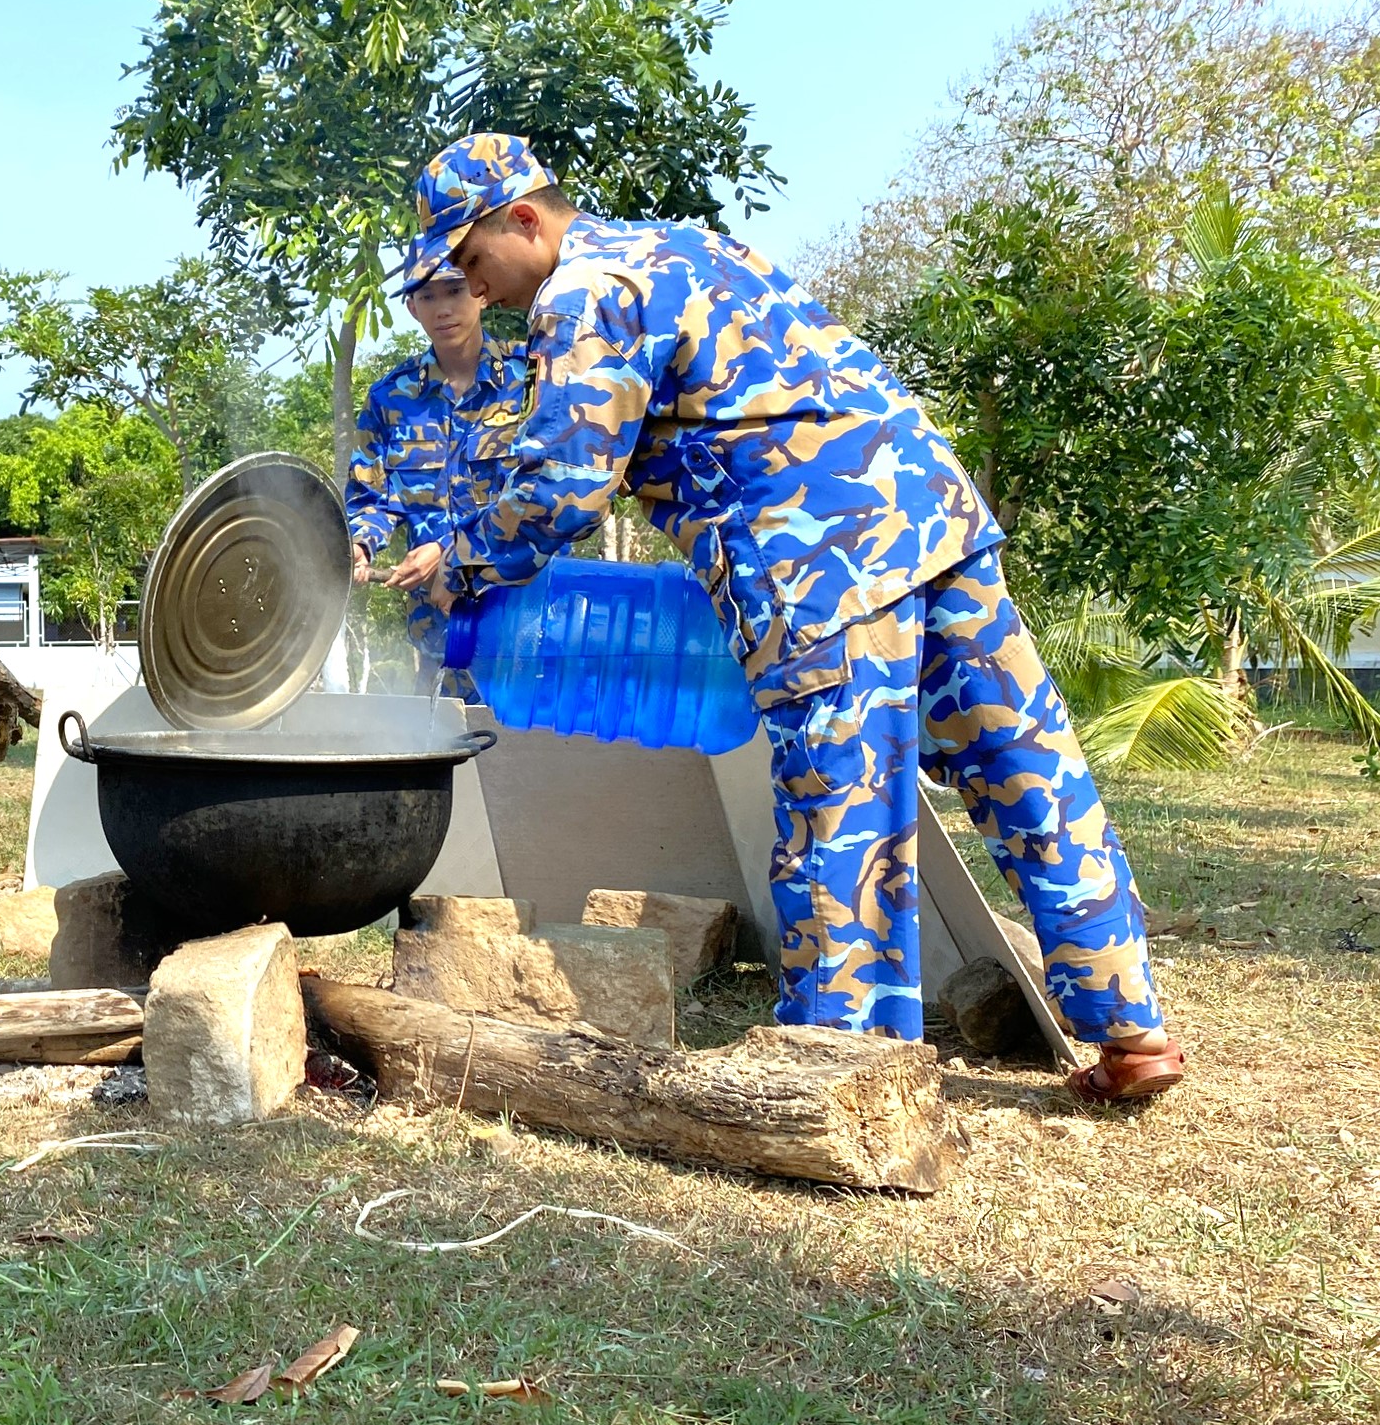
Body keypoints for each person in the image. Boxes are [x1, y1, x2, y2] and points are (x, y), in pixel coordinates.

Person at [405, 132, 1184, 1102]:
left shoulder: (582, 290)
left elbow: (565, 484)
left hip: (819, 559)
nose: (477, 292)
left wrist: (461, 559)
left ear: (524, 218)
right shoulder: (685, 247)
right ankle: (1128, 1023)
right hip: (930, 514)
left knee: (837, 808)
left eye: (474, 264)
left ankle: (842, 1075)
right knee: (1021, 758)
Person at [344, 248, 531, 699]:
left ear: (481, 292)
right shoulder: (391, 397)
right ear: (412, 307)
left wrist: (449, 551)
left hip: (525, 632)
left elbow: (546, 496)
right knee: (448, 760)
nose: (444, 308)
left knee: (530, 764)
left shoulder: (531, 379)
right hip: (437, 638)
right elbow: (373, 498)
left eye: (455, 289)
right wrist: (360, 544)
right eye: (427, 296)